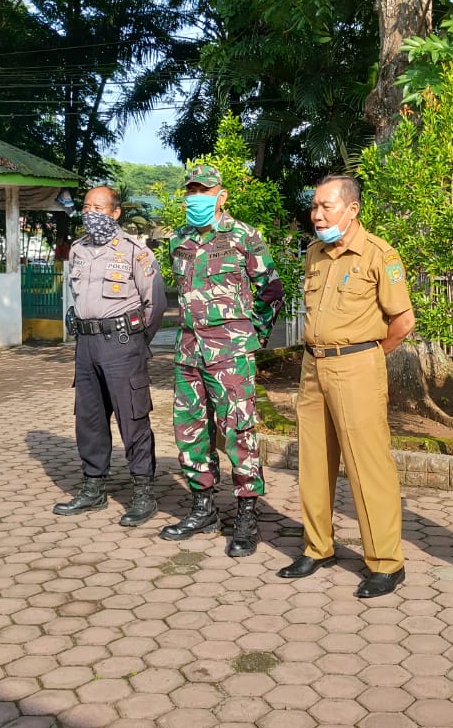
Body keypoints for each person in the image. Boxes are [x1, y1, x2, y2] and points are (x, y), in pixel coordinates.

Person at [278, 174, 415, 599]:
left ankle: (386, 562)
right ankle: (318, 547)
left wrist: (367, 357)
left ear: (352, 210)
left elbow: (402, 322)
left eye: (327, 207)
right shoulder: (315, 253)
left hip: (356, 365)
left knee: (366, 465)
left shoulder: (379, 255)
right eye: (314, 206)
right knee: (314, 462)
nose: (317, 215)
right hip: (312, 367)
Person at [159, 164, 285, 556]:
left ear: (221, 195)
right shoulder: (178, 239)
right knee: (190, 430)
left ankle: (247, 514)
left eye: (204, 189)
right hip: (188, 352)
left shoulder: (244, 236)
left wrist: (250, 339)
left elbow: (272, 290)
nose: (196, 196)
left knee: (238, 431)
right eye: (192, 190)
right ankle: (204, 508)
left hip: (230, 354)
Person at [54, 186, 167, 523]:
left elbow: (156, 303)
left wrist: (136, 342)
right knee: (88, 418)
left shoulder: (135, 251)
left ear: (116, 213)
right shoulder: (78, 249)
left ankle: (143, 493)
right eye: (87, 207)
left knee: (132, 418)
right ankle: (93, 488)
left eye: (99, 208)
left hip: (122, 343)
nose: (91, 213)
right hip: (86, 346)